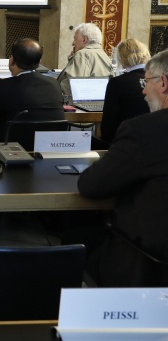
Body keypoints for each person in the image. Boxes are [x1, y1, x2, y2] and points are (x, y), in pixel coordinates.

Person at [77, 49, 168, 287]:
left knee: (75, 239)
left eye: (146, 81)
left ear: (164, 83)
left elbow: (91, 185)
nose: (143, 90)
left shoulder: (143, 130)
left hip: (145, 260)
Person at [0, 38, 65, 144]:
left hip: (9, 151)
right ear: (39, 62)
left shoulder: (7, 86)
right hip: (48, 149)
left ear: (12, 60)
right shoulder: (54, 84)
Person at [99, 38, 151, 144]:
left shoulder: (117, 83)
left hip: (125, 144)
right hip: (155, 143)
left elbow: (107, 127)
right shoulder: (158, 80)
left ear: (121, 59)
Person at [56, 22, 113, 97]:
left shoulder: (82, 54)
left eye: (75, 39)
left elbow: (72, 87)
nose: (73, 43)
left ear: (84, 40)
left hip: (80, 105)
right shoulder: (104, 55)